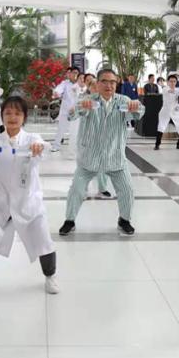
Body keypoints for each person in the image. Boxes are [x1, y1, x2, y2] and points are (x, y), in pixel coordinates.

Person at [0, 96, 58, 294]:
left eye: (17, 113)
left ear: (24, 117)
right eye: (8, 113)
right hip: (0, 200)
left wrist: (39, 148)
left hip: (28, 200)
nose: (12, 117)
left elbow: (45, 147)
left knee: (43, 242)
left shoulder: (32, 138)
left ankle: (50, 276)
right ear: (2, 117)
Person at [60, 69, 145, 237]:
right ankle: (69, 220)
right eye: (104, 81)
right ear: (97, 84)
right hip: (89, 158)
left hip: (115, 157)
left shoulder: (123, 100)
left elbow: (138, 112)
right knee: (76, 190)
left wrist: (136, 107)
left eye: (112, 82)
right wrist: (79, 107)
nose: (109, 85)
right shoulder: (88, 100)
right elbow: (71, 115)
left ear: (116, 84)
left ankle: (124, 220)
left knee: (127, 190)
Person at [51, 66, 80, 152]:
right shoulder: (65, 83)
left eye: (76, 73)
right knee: (61, 128)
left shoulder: (80, 84)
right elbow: (59, 89)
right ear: (69, 74)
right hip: (65, 110)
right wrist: (56, 93)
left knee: (75, 130)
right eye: (73, 73)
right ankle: (56, 146)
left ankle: (76, 147)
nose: (74, 75)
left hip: (77, 111)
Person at [155, 74, 179, 150]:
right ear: (168, 82)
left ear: (176, 82)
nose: (172, 83)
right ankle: (157, 145)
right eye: (171, 81)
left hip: (175, 112)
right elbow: (172, 91)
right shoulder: (165, 89)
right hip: (165, 112)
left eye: (174, 81)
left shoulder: (178, 89)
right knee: (161, 128)